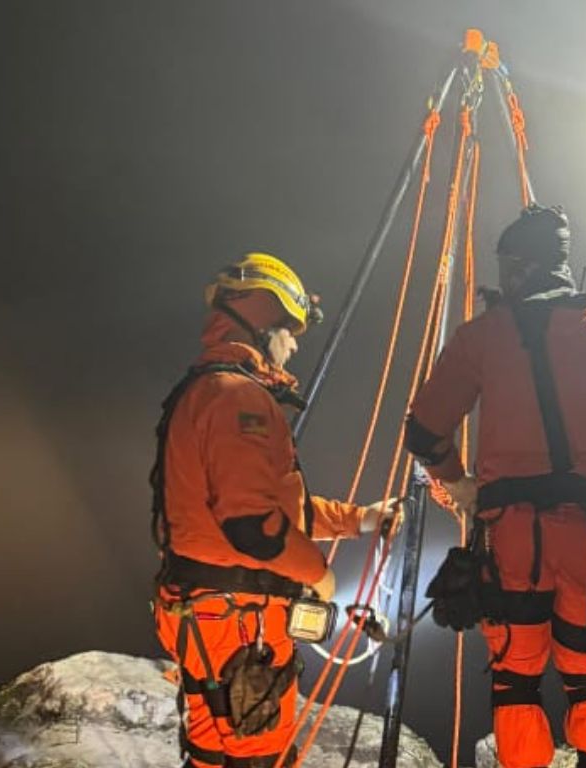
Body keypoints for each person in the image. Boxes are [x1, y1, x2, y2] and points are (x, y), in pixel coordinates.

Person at [405, 205, 586, 768]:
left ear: (517, 268)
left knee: (516, 680)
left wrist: (460, 485)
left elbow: (423, 430)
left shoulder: (484, 336)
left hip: (511, 533)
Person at [150, 252, 401, 768]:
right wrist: (320, 574)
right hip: (243, 626)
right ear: (266, 319)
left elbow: (277, 510)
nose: (293, 344)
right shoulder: (237, 396)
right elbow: (253, 528)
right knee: (257, 757)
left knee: (210, 752)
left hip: (205, 616)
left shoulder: (208, 391)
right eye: (290, 330)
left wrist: (361, 519)